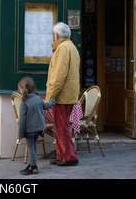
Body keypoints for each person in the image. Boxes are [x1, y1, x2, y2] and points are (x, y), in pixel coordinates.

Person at [45, 22, 80, 166]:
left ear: (56, 35)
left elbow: (58, 75)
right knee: (61, 126)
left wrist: (51, 96)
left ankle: (70, 156)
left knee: (62, 127)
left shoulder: (62, 49)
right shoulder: (71, 47)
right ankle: (61, 155)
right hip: (69, 94)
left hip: (62, 96)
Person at [18, 77, 55, 175]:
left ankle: (33, 167)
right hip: (39, 128)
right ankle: (31, 164)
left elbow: (22, 120)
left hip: (29, 129)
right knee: (33, 146)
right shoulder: (38, 98)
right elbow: (47, 106)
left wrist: (20, 134)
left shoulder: (24, 102)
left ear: (22, 89)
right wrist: (52, 99)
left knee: (31, 147)